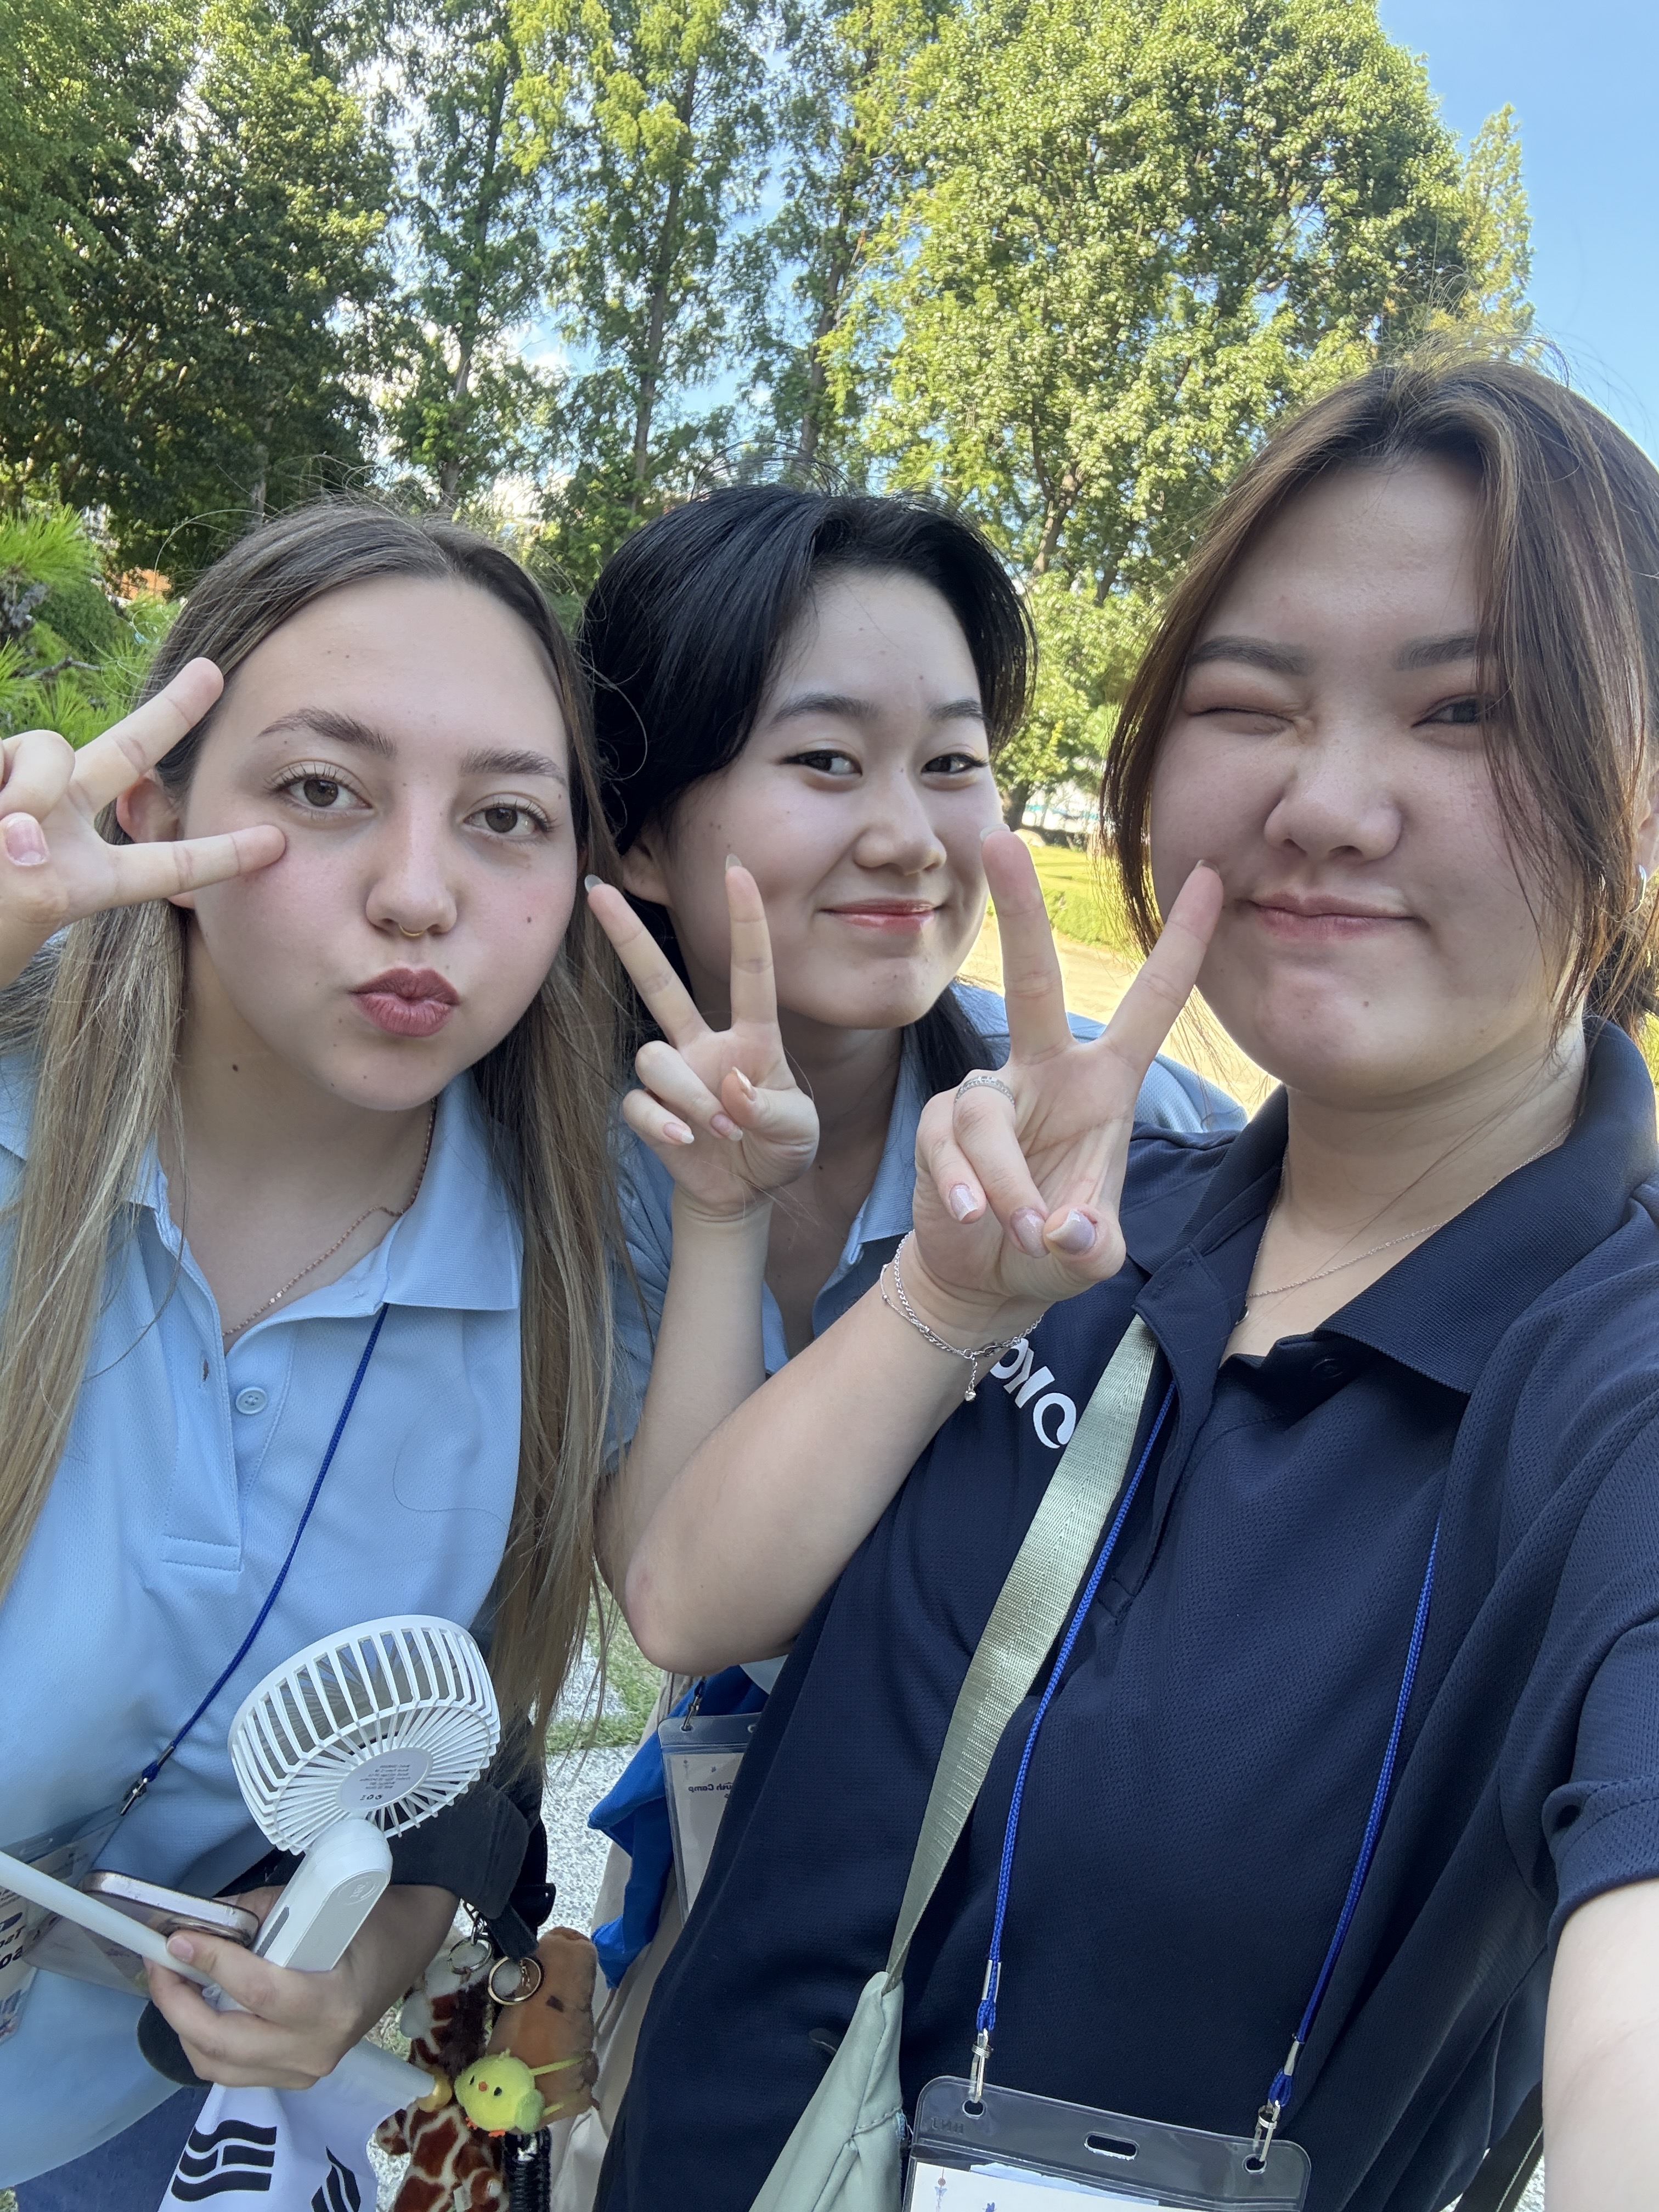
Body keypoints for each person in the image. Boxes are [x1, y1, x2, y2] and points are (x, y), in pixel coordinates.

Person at [595, 354, 1659, 2212]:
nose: (1327, 803)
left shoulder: (1610, 1399)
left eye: (1466, 711)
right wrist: (945, 1304)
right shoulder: (1082, 1212)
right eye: (1251, 703)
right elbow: (687, 1601)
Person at [560, 486, 1239, 2197]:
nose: (911, 838)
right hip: (741, 1876)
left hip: (1026, 1931)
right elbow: (680, 1605)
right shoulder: (567, 1170)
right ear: (635, 831)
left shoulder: (1133, 1135)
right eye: (825, 761)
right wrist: (725, 1213)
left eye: (951, 764)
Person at [0, 503, 622, 2201]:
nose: (419, 893)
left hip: (115, 2142)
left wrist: (360, 1964)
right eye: (325, 788)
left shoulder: (578, 1286)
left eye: (506, 817)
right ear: (156, 807)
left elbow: (472, 1759)